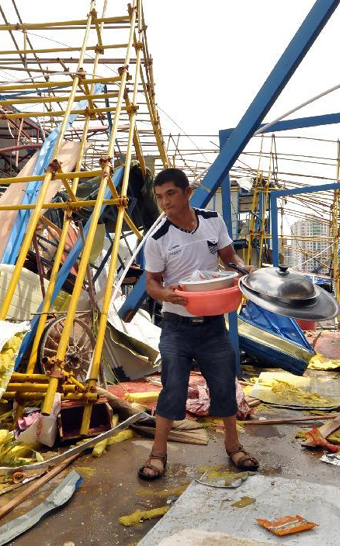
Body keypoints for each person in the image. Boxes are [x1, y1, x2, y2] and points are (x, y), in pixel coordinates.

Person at [138, 168, 259, 480]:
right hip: (176, 325)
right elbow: (151, 283)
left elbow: (229, 257)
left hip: (213, 324)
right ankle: (158, 455)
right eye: (160, 197)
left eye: (170, 194)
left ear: (187, 192)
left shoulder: (212, 220)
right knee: (172, 389)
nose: (164, 202)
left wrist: (244, 269)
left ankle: (234, 448)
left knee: (224, 386)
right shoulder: (157, 238)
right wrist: (166, 294)